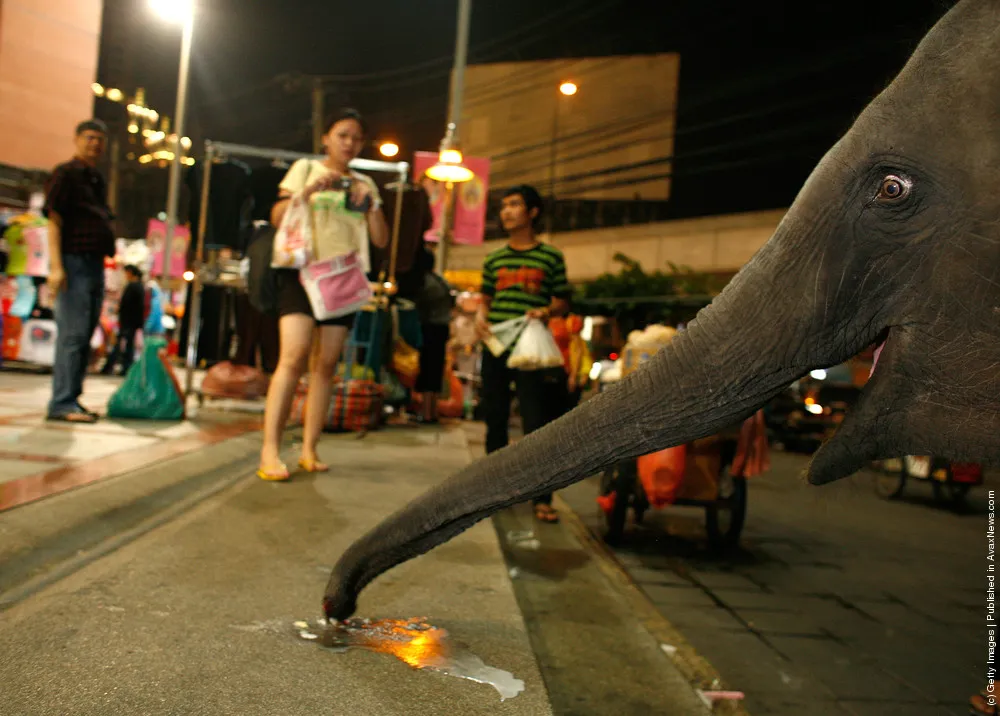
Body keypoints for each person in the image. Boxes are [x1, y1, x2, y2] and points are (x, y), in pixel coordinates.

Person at [258, 108, 389, 481]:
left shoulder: (366, 183)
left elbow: (380, 239)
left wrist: (372, 204)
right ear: (326, 138)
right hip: (300, 274)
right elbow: (278, 216)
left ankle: (310, 448)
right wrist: (311, 190)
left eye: (356, 137)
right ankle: (270, 449)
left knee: (327, 365)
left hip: (341, 280)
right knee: (294, 356)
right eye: (342, 135)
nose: (349, 143)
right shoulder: (304, 169)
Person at [475, 184, 572, 523]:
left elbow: (562, 300)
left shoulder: (550, 257)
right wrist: (479, 318)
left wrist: (546, 311)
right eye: (504, 207)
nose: (507, 212)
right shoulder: (494, 259)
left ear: (532, 212)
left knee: (536, 422)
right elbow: (485, 300)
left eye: (515, 205)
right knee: (495, 418)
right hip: (497, 346)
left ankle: (541, 498)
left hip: (532, 349)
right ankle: (492, 492)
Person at [44, 119, 116, 423]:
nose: (95, 144)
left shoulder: (95, 179)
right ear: (76, 139)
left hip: (94, 263)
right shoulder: (66, 173)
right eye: (89, 138)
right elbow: (54, 221)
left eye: (99, 139)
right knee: (72, 334)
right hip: (73, 262)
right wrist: (57, 267)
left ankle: (71, 398)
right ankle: (61, 402)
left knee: (84, 334)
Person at [413, 244, 455, 424]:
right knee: (434, 369)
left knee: (428, 369)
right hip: (441, 329)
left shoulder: (426, 282)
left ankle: (427, 412)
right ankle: (431, 411)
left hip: (431, 328)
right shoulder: (440, 280)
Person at [101, 264, 146, 376]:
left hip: (128, 322)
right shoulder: (139, 286)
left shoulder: (134, 286)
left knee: (123, 345)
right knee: (126, 345)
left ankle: (117, 367)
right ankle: (122, 367)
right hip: (130, 322)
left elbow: (130, 306)